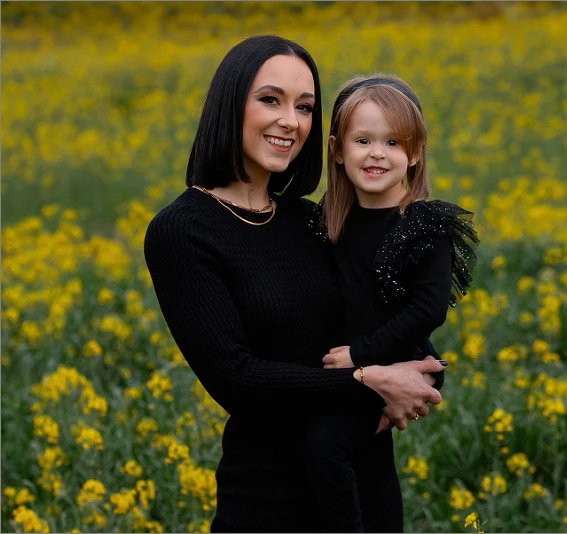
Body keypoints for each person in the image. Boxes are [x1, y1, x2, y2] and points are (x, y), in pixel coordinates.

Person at [143, 36, 446, 533]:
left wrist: (425, 376)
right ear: (229, 104)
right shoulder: (183, 231)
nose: (291, 120)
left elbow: (395, 325)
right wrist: (367, 381)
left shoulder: (316, 221)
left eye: (305, 107)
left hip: (365, 488)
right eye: (270, 100)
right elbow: (236, 380)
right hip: (270, 501)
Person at [304, 74, 479, 532]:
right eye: (363, 140)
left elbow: (428, 310)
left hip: (401, 359)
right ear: (338, 151)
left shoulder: (423, 224)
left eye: (393, 142)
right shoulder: (332, 221)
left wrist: (360, 355)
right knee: (369, 457)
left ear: (415, 153)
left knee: (326, 444)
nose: (377, 153)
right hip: (354, 362)